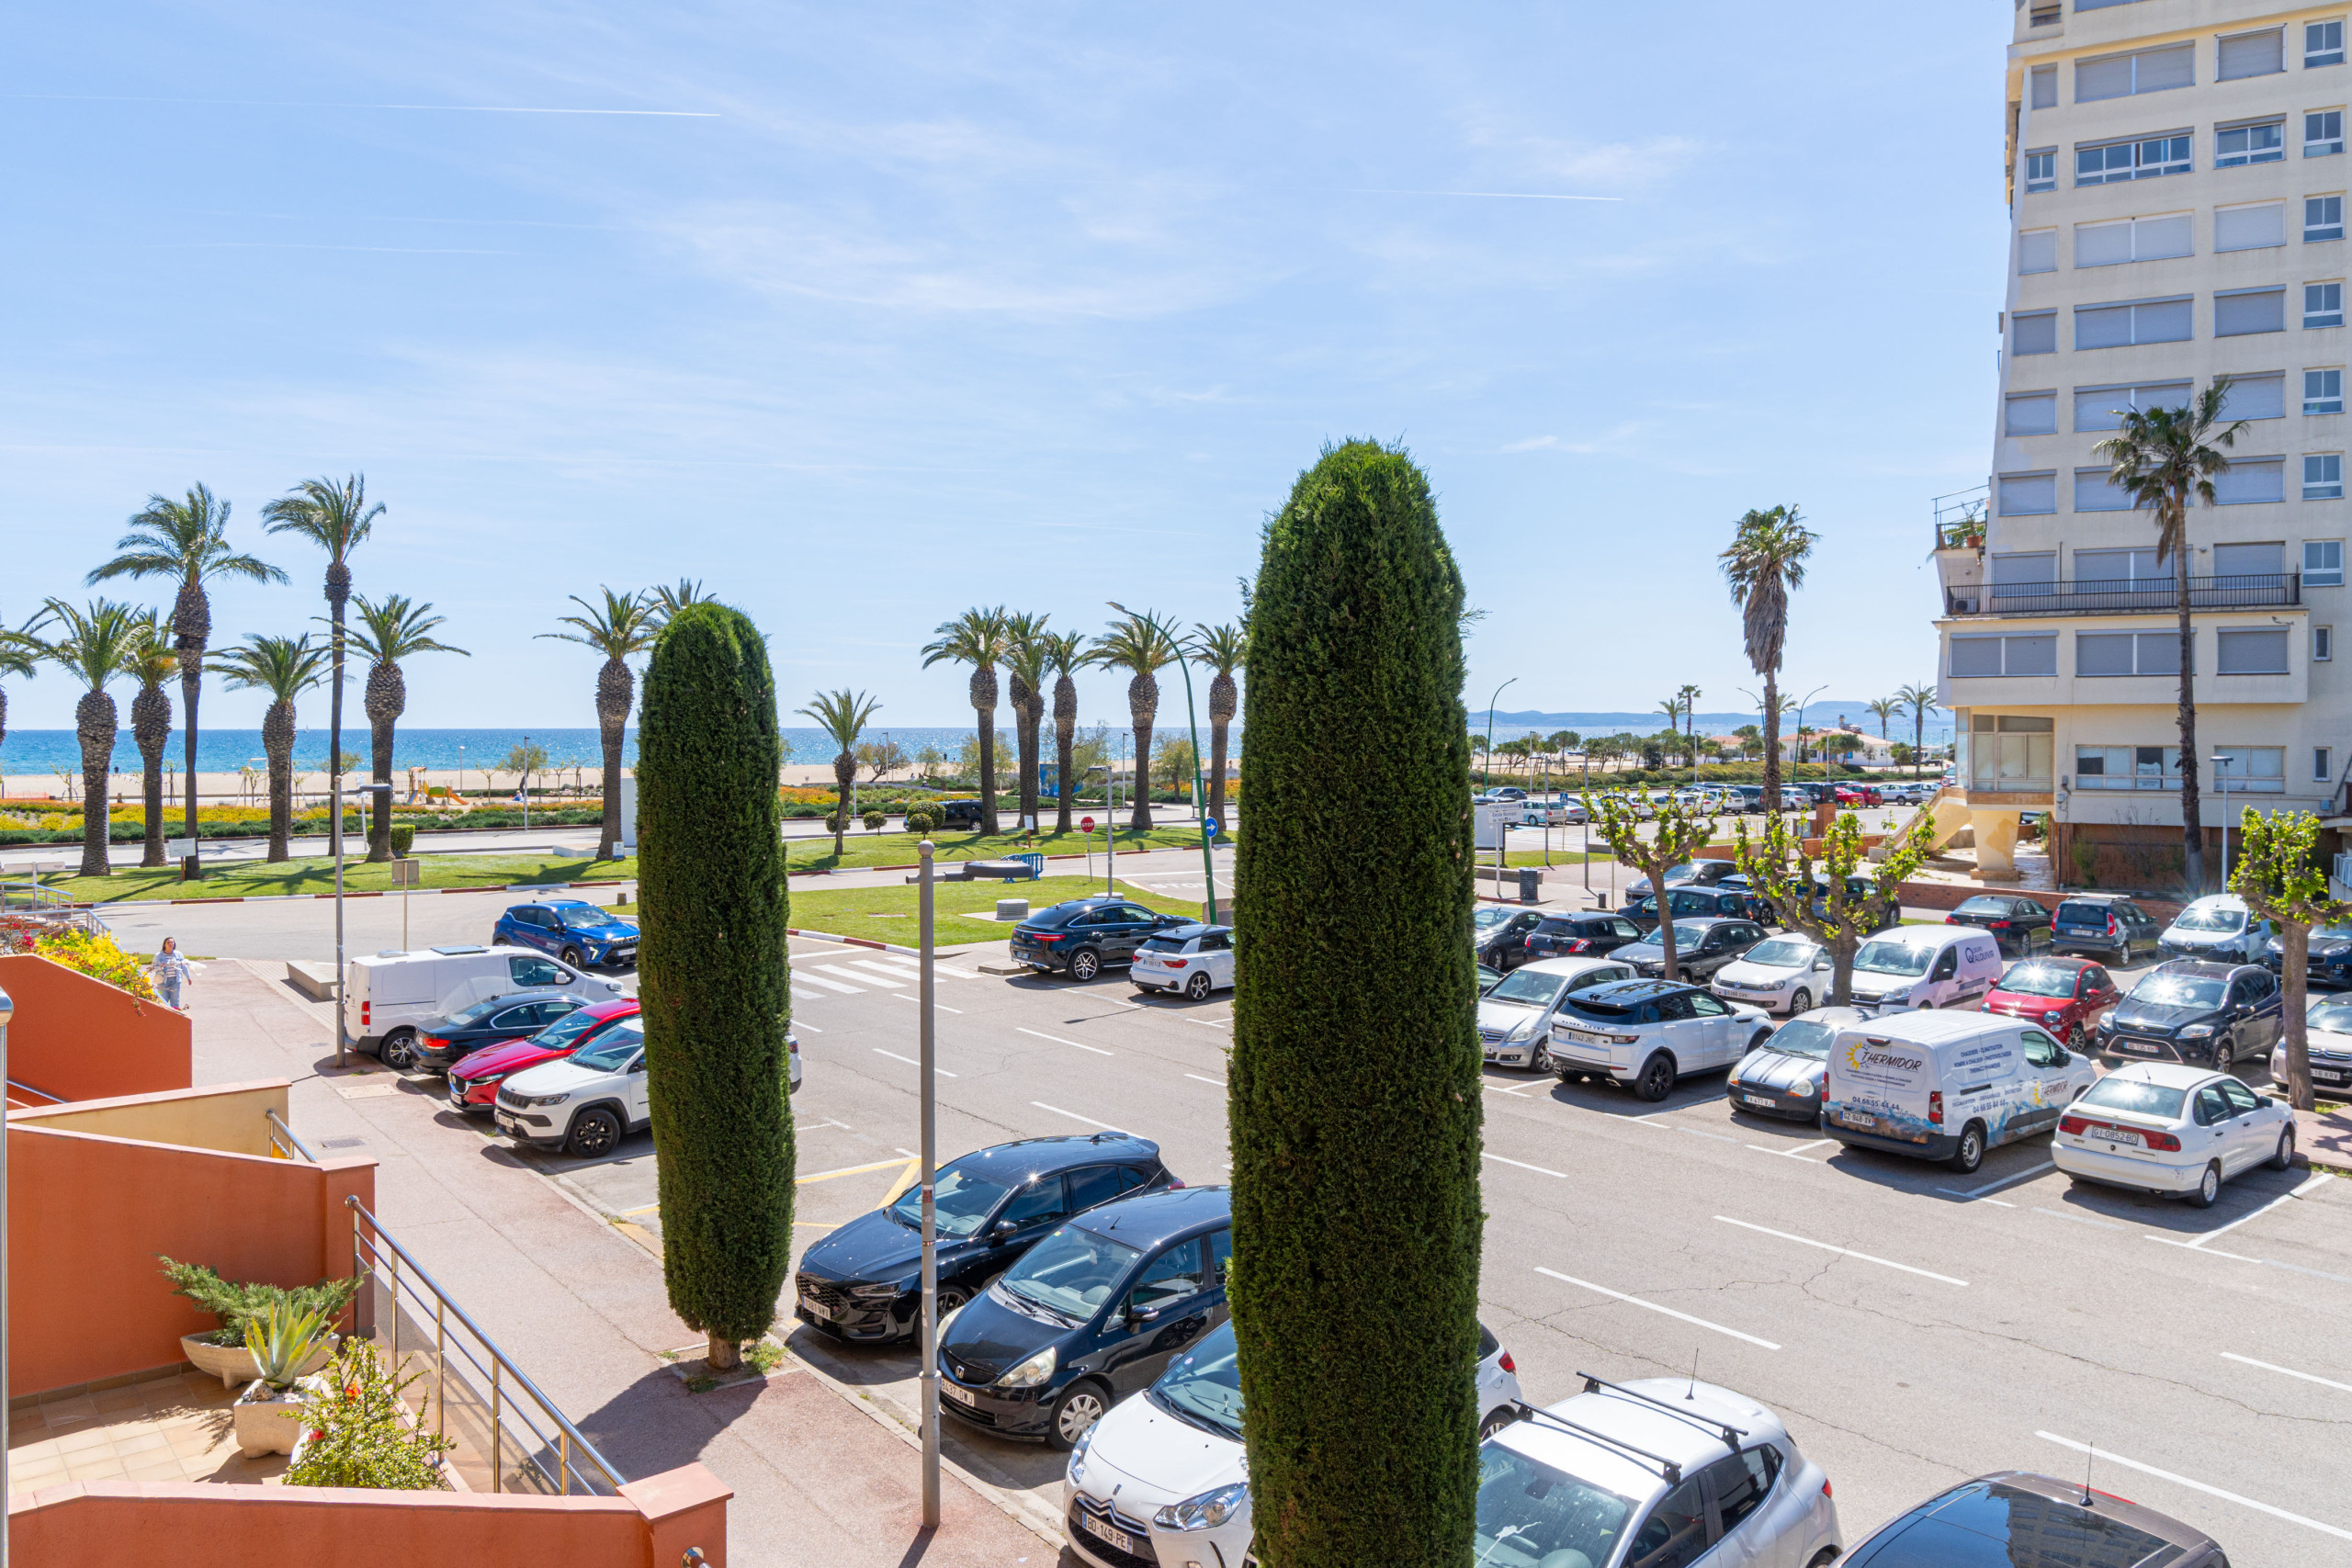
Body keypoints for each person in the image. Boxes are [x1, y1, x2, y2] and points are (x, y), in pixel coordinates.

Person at [151, 937, 192, 1010]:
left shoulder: (178, 954)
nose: (170, 944)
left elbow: (183, 966)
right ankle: (164, 1015)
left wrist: (188, 977)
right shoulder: (158, 955)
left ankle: (174, 1015)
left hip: (175, 981)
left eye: (172, 942)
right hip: (163, 982)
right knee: (163, 1002)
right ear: (164, 945)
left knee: (175, 1002)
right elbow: (153, 968)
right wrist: (160, 967)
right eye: (168, 943)